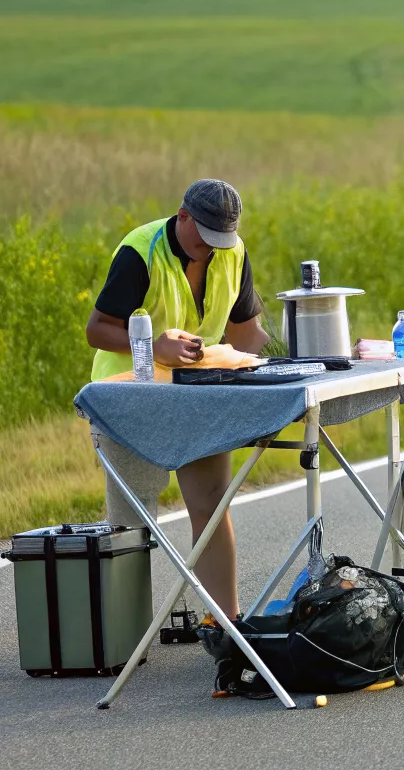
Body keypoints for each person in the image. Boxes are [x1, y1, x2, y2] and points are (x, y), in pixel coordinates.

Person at [85, 178, 268, 617]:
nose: (211, 249)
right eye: (204, 238)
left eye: (219, 241)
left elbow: (247, 334)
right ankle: (124, 636)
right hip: (131, 397)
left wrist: (298, 354)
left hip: (197, 394)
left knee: (211, 506)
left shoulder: (232, 252)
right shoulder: (141, 250)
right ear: (182, 216)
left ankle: (224, 622)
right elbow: (97, 328)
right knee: (132, 519)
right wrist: (153, 347)